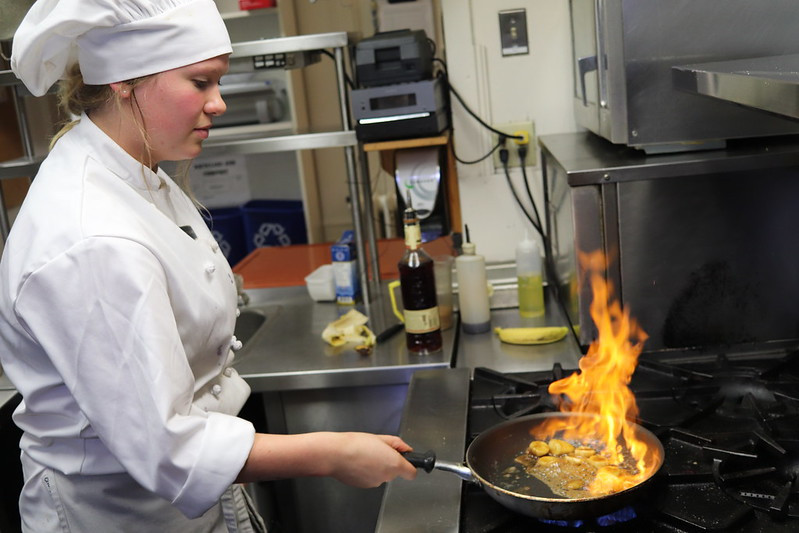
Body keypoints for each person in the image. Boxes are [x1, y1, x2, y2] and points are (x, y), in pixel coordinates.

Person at [0, 0, 417, 530]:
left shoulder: (135, 173)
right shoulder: (92, 237)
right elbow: (165, 449)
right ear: (126, 81)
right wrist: (333, 454)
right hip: (116, 515)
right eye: (200, 82)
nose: (218, 103)